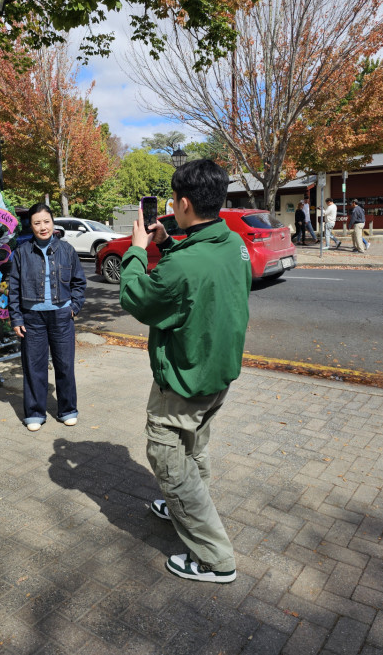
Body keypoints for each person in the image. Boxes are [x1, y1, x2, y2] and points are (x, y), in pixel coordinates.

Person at [119, 159, 251, 583]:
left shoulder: (182, 265)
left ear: (185, 203)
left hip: (184, 377)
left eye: (175, 201)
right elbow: (196, 274)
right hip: (216, 371)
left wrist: (138, 249)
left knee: (166, 451)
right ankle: (185, 504)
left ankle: (215, 558)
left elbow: (138, 298)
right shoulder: (231, 243)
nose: (171, 207)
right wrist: (170, 239)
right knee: (193, 442)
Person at [9, 203, 86, 431]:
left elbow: (79, 282)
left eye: (46, 221)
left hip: (62, 316)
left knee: (64, 366)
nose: (43, 227)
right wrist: (17, 319)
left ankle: (68, 409)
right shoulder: (22, 252)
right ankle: (34, 413)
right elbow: (13, 288)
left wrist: (74, 307)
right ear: (31, 226)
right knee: (34, 367)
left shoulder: (67, 250)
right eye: (37, 223)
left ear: (53, 223)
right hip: (32, 318)